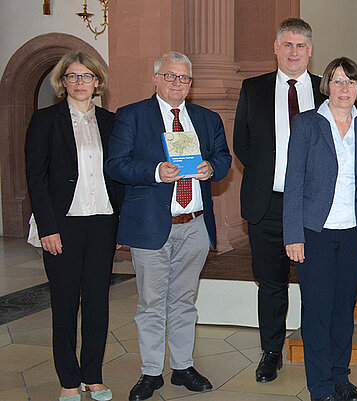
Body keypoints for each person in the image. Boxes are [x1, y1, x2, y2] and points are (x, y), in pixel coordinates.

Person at [105, 51, 232, 401]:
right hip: (151, 225)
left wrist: (211, 168)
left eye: (184, 78)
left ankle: (182, 366)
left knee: (183, 300)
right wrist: (154, 172)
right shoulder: (132, 116)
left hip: (194, 224)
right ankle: (150, 372)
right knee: (150, 302)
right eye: (171, 76)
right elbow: (115, 165)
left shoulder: (206, 119)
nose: (178, 83)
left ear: (191, 84)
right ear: (156, 78)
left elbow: (224, 158)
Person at [283, 57, 357, 401]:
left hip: (354, 232)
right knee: (317, 310)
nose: (345, 89)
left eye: (351, 82)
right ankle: (321, 385)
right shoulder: (307, 123)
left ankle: (341, 377)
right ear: (327, 85)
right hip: (315, 233)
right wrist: (293, 234)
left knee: (344, 309)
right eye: (338, 81)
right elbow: (293, 182)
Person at [232, 17, 325, 383]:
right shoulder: (252, 89)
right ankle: (271, 353)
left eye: (300, 46)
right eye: (287, 44)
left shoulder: (326, 91)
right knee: (271, 283)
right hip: (266, 204)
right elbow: (242, 143)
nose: (293, 52)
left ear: (310, 51)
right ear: (275, 47)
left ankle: (315, 348)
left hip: (313, 206)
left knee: (315, 282)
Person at [24, 52, 121, 401]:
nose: (80, 82)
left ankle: (93, 376)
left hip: (102, 223)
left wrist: (121, 225)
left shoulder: (111, 122)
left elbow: (119, 176)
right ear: (62, 82)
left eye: (87, 76)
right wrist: (47, 227)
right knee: (65, 304)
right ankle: (68, 379)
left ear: (98, 82)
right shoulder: (45, 120)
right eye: (73, 76)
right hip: (63, 225)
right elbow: (36, 178)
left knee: (97, 303)